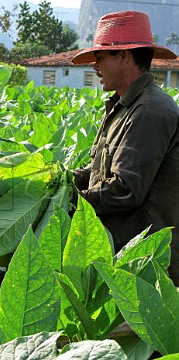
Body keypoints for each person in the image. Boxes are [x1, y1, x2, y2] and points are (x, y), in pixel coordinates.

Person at [71, 10, 179, 285]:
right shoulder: (122, 107)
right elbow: (99, 170)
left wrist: (72, 201)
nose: (95, 67)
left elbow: (125, 188)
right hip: (124, 256)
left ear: (124, 56)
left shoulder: (150, 110)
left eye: (100, 58)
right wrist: (61, 180)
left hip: (148, 267)